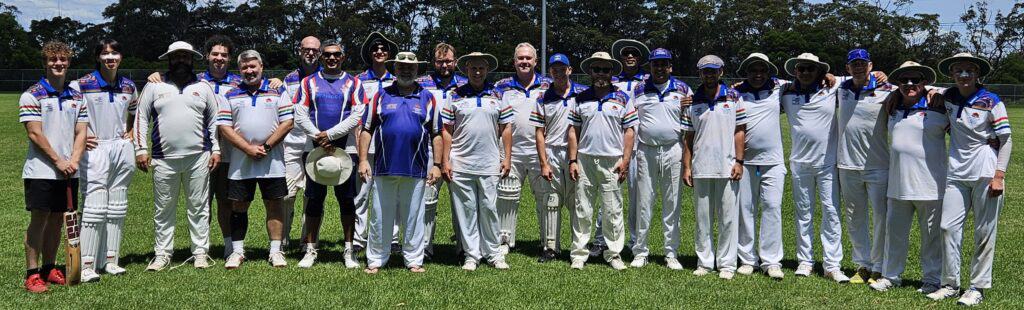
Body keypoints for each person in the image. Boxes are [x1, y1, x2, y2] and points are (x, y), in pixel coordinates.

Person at [927, 53, 1012, 306]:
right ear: (952, 74)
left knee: (984, 232)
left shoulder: (991, 101)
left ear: (977, 74)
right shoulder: (949, 96)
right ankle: (950, 284)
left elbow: (1006, 140)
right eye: (958, 71)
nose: (964, 76)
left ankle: (977, 287)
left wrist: (999, 176)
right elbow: (922, 88)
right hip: (955, 173)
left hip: (986, 172)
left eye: (969, 71)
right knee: (947, 227)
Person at [134, 41, 222, 271]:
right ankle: (162, 254)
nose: (181, 60)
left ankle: (200, 253)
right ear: (169, 59)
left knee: (199, 207)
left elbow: (214, 121)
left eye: (185, 56)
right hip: (163, 158)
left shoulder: (203, 87)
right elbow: (141, 118)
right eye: (177, 57)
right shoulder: (154, 86)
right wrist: (141, 149)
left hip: (199, 156)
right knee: (163, 208)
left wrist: (216, 149)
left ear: (192, 59)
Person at [359, 51, 442, 274]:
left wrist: (437, 165)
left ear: (417, 71)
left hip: (416, 168)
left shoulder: (427, 97)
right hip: (384, 167)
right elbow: (367, 129)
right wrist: (363, 160)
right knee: (379, 215)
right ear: (394, 69)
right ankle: (376, 259)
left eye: (410, 67)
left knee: (414, 215)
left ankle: (414, 259)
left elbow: (436, 134)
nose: (406, 70)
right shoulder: (381, 96)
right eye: (401, 66)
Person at [868, 61, 944, 293]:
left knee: (931, 238)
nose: (909, 84)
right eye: (904, 80)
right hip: (898, 184)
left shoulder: (939, 105)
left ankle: (931, 280)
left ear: (925, 82)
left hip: (931, 185)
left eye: (915, 80)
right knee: (895, 235)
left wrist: (934, 91)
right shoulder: (892, 105)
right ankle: (891, 276)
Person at [291, 40, 367, 269]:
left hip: (346, 149)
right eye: (327, 55)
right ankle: (311, 249)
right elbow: (300, 113)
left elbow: (357, 116)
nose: (332, 58)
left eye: (336, 55)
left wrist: (329, 135)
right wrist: (318, 136)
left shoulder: (355, 83)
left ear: (343, 57)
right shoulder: (308, 82)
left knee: (347, 200)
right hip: (314, 148)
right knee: (314, 199)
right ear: (321, 57)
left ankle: (349, 250)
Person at [21, 41, 88, 293]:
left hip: (69, 169)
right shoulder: (32, 94)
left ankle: (49, 269)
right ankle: (32, 273)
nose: (58, 63)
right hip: (41, 170)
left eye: (62, 59)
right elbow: (35, 134)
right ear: (45, 63)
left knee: (59, 220)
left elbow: (81, 132)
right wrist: (59, 161)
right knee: (39, 219)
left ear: (68, 62)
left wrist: (73, 160)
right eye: (52, 60)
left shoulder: (76, 95)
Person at [217, 50, 295, 269]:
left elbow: (288, 122)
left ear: (261, 67)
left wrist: (267, 146)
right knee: (239, 206)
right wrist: (247, 148)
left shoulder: (278, 91)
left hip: (273, 161)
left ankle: (275, 251)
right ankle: (237, 251)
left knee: (274, 204)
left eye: (253, 67)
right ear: (239, 69)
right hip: (241, 161)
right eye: (245, 68)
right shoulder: (230, 94)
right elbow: (224, 126)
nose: (249, 71)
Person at [70, 38, 138, 282]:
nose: (110, 58)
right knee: (95, 205)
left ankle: (110, 261)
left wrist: (130, 133)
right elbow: (70, 115)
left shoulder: (129, 86)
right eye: (105, 54)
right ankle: (87, 265)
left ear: (121, 57)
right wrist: (82, 135)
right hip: (95, 147)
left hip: (120, 147)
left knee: (117, 204)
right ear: (98, 57)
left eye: (115, 53)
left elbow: (134, 115)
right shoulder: (81, 85)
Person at [779, 53, 849, 282]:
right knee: (804, 214)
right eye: (802, 69)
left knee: (830, 212)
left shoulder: (833, 86)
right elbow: (758, 82)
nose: (806, 72)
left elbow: (863, 77)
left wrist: (880, 74)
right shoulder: (785, 90)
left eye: (811, 69)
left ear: (819, 71)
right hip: (800, 163)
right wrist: (738, 84)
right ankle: (805, 261)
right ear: (795, 71)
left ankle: (832, 265)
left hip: (827, 163)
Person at [441, 52, 514, 271]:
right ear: (466, 70)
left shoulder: (499, 94)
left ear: (487, 69)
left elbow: (507, 128)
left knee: (489, 208)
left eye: (481, 68)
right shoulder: (454, 95)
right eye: (473, 68)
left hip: (490, 162)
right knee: (467, 210)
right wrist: (446, 160)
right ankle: (471, 255)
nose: (478, 72)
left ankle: (493, 253)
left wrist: (507, 157)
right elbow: (446, 130)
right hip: (461, 162)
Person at [567, 52, 637, 271]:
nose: (601, 74)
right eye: (597, 69)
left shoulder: (623, 98)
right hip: (585, 159)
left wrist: (625, 160)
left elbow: (630, 131)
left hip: (612, 161)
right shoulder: (580, 98)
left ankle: (613, 253)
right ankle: (579, 253)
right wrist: (573, 160)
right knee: (583, 209)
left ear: (612, 73)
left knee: (613, 209)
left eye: (606, 70)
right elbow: (573, 131)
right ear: (590, 71)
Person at [682, 55, 747, 280]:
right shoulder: (692, 101)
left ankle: (727, 264)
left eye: (713, 71)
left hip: (727, 166)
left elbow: (740, 131)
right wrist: (687, 167)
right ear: (700, 73)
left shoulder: (734, 96)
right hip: (701, 167)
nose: (709, 75)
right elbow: (688, 138)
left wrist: (739, 161)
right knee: (703, 219)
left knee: (728, 217)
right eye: (705, 71)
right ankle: (705, 262)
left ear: (721, 72)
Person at [628, 48, 692, 269]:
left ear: (670, 66)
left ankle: (670, 252)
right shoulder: (639, 89)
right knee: (644, 201)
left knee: (672, 202)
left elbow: (690, 120)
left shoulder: (683, 89)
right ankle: (640, 251)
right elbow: (630, 121)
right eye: (656, 64)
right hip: (646, 150)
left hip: (673, 148)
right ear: (650, 66)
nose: (660, 68)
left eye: (664, 64)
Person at [836, 49, 895, 284]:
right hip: (847, 164)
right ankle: (863, 265)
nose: (858, 67)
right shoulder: (840, 88)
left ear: (870, 65)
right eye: (854, 64)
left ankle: (879, 266)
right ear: (848, 68)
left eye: (862, 63)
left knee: (882, 217)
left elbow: (920, 90)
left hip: (878, 165)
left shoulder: (887, 89)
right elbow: (821, 77)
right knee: (854, 217)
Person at [589, 39, 649, 257]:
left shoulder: (649, 80)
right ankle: (600, 240)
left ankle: (633, 242)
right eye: (626, 54)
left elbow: (683, 94)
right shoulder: (610, 79)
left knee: (636, 197)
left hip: (640, 146)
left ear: (640, 57)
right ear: (621, 59)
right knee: (607, 192)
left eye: (634, 53)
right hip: (613, 146)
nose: (630, 56)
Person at [733, 53, 787, 279]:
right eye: (753, 70)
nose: (758, 74)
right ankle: (747, 259)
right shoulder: (736, 93)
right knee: (745, 210)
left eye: (762, 70)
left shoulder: (779, 87)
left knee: (772, 207)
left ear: (768, 72)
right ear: (746, 72)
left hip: (773, 161)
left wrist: (829, 76)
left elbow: (809, 79)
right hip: (744, 161)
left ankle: (771, 261)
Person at [494, 42, 550, 255]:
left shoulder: (548, 85)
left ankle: (548, 241)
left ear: (536, 61)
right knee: (507, 195)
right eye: (520, 58)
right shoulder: (501, 86)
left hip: (539, 151)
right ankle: (504, 241)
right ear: (514, 61)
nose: (524, 62)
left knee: (545, 197)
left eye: (528, 58)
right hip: (511, 151)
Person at [533, 53, 586, 262]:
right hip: (552, 151)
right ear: (550, 72)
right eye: (554, 69)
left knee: (576, 200)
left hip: (577, 153)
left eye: (562, 68)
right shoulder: (543, 97)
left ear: (569, 70)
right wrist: (543, 162)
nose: (558, 72)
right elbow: (539, 131)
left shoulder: (582, 93)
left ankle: (577, 248)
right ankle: (551, 248)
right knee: (551, 201)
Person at [415, 42, 467, 258]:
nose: (444, 65)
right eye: (440, 61)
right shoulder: (422, 84)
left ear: (455, 61)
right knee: (428, 197)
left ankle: (464, 246)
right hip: (429, 147)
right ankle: (426, 246)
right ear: (434, 62)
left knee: (462, 200)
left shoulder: (465, 84)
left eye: (448, 61)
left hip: (460, 147)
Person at [354, 32, 400, 253]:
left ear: (389, 54)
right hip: (367, 147)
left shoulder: (397, 79)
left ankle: (391, 238)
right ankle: (358, 238)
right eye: (375, 49)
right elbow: (356, 116)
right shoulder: (359, 80)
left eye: (383, 49)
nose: (379, 52)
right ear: (370, 54)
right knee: (362, 194)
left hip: (391, 147)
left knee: (391, 194)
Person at [281, 36, 321, 248]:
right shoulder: (288, 79)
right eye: (307, 49)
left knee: (312, 194)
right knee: (287, 194)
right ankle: (283, 239)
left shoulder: (325, 77)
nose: (311, 53)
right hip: (291, 142)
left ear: (320, 53)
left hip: (316, 142)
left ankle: (308, 240)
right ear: (299, 50)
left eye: (315, 50)